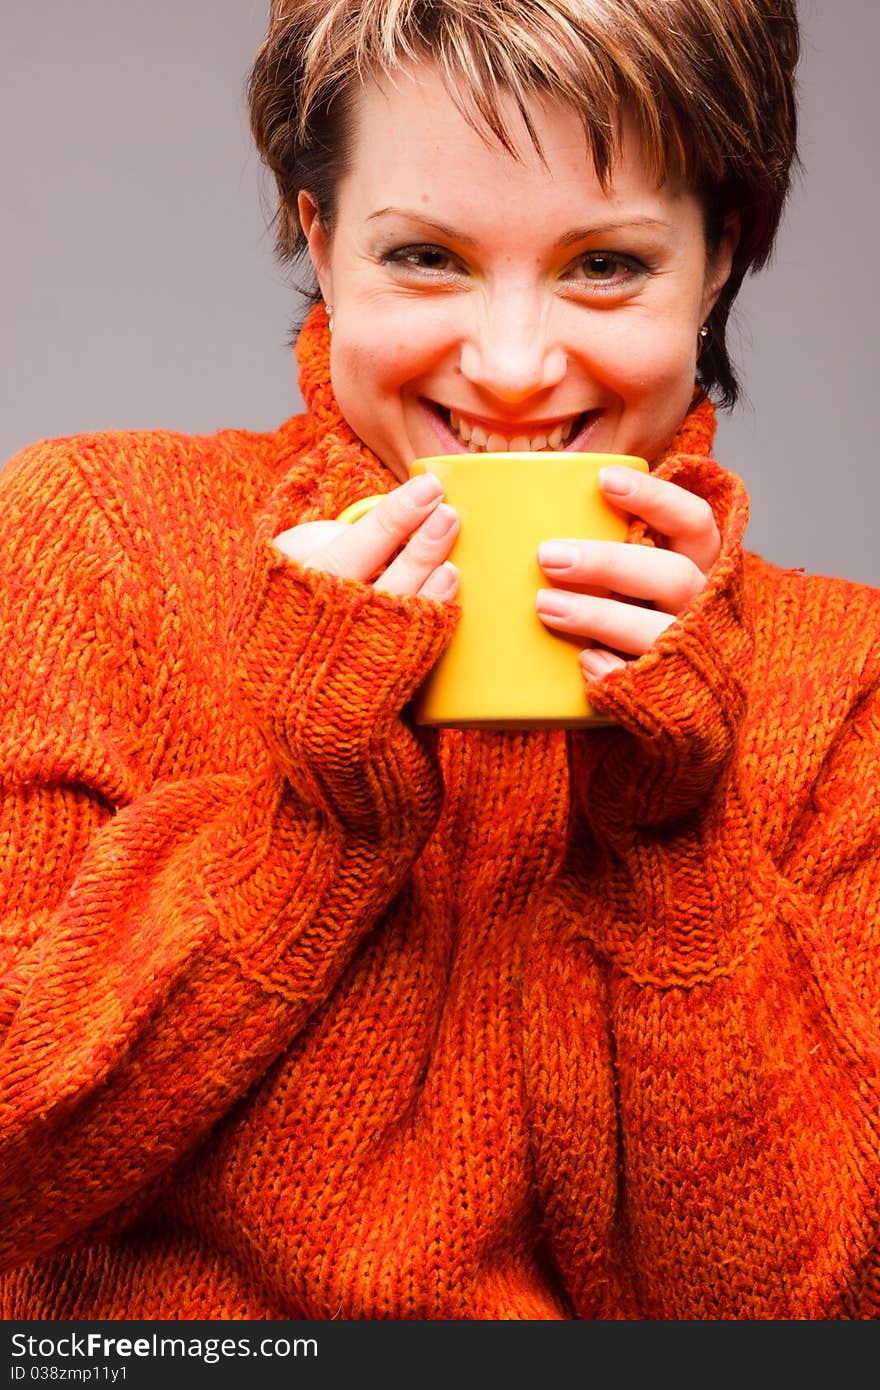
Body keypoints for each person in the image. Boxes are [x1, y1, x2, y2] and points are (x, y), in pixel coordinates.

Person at [0, 0, 878, 1322]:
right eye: (426, 256)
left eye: (606, 266)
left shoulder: (842, 678)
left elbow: (787, 1321)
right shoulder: (92, 540)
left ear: (719, 260)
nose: (514, 368)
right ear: (321, 241)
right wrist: (314, 814)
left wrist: (671, 842)